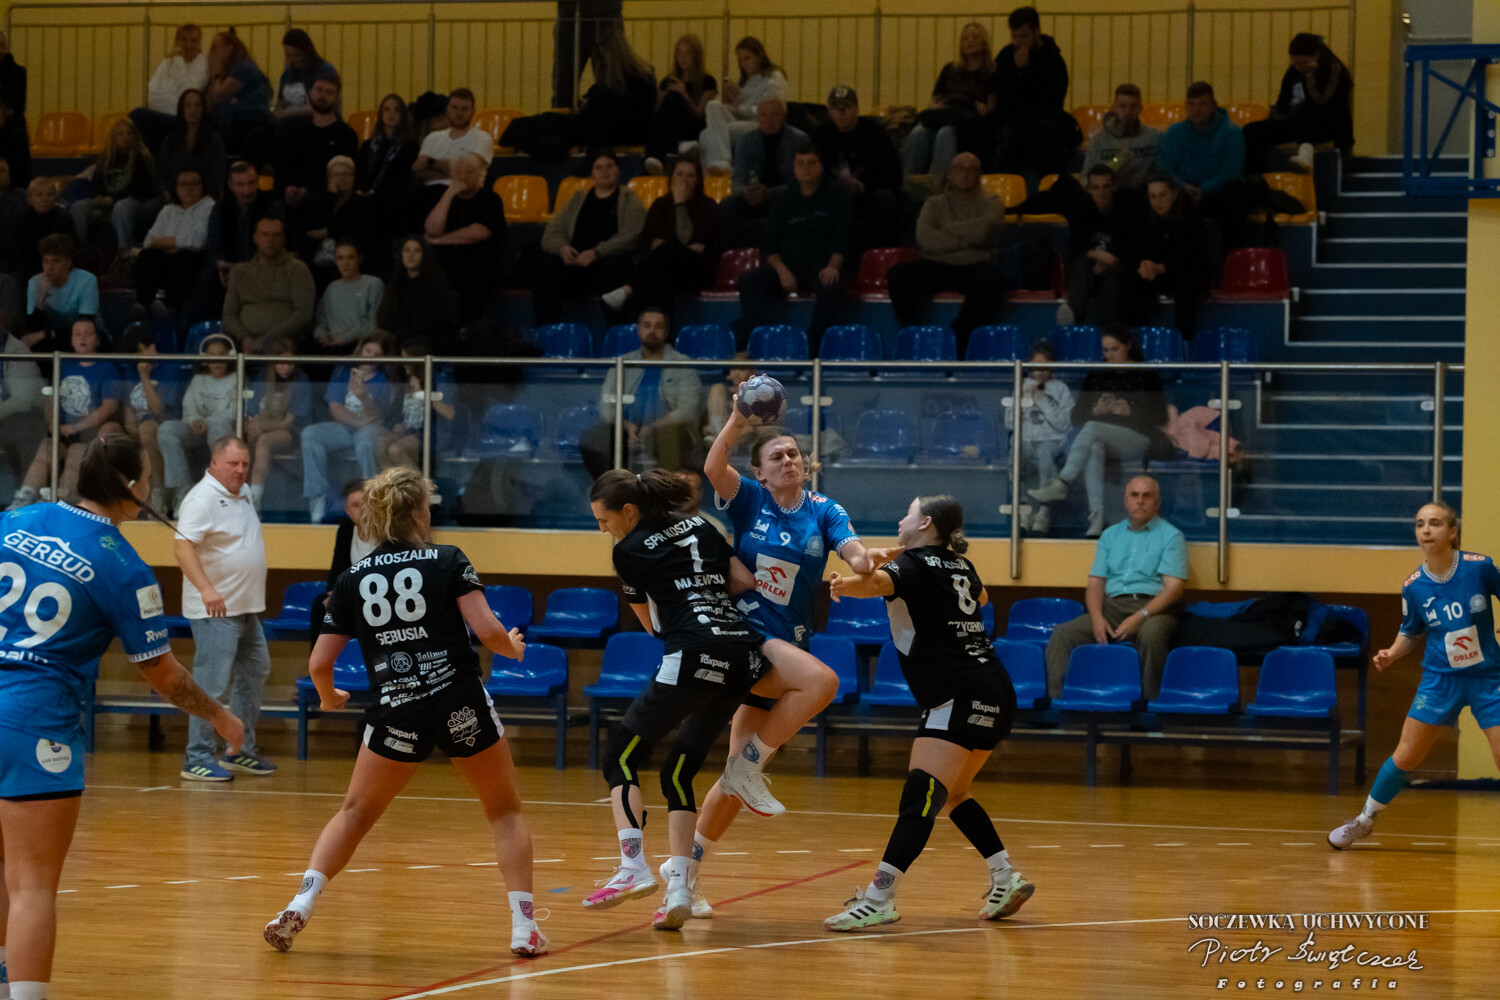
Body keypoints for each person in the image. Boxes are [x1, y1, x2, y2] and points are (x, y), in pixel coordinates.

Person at [264, 465, 546, 957]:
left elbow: (319, 663)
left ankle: (301, 902)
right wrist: (514, 648)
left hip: (397, 708)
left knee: (355, 813)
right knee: (504, 811)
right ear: (418, 512)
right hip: (459, 702)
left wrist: (328, 697)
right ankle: (525, 929)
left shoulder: (353, 578)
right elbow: (488, 632)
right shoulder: (448, 559)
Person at [0, 433, 243, 1000]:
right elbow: (163, 675)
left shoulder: (17, 517)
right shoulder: (124, 566)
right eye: (149, 478)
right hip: (33, 720)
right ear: (132, 488)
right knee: (33, 886)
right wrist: (219, 716)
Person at [582, 469, 828, 929]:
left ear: (628, 511)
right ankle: (679, 888)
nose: (602, 529)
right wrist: (705, 593)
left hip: (692, 651)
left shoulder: (628, 550)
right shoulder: (700, 524)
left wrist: (683, 604)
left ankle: (633, 865)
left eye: (603, 520)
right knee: (679, 770)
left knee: (620, 758)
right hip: (741, 655)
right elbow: (743, 580)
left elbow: (653, 626)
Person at [685, 396, 898, 918]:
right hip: (748, 637)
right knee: (824, 682)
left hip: (786, 650)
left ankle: (684, 878)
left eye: (794, 454)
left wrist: (865, 561)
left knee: (733, 783)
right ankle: (749, 768)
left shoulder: (824, 510)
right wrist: (737, 420)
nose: (788, 461)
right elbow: (713, 467)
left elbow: (852, 550)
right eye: (777, 456)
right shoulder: (750, 499)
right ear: (759, 471)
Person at [823, 494, 1033, 930]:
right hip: (995, 688)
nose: (901, 519)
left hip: (957, 693)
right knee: (953, 793)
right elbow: (982, 597)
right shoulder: (962, 565)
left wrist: (845, 582)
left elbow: (873, 586)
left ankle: (879, 898)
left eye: (908, 512)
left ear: (925, 523)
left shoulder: (913, 564)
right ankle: (1005, 876)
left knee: (920, 794)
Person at [1329, 502, 1500, 850]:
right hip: (1440, 681)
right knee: (1406, 755)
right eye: (1420, 524)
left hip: (1488, 678)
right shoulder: (1414, 586)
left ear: (1452, 531)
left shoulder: (1479, 567)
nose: (1426, 530)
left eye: (1435, 523)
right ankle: (1365, 820)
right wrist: (1392, 652)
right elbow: (1411, 631)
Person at [174, 435, 276, 782]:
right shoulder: (200, 500)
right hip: (215, 612)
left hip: (246, 607)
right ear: (214, 463)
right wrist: (206, 589)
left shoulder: (243, 491)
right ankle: (197, 758)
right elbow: (182, 548)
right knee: (210, 685)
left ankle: (239, 750)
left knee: (255, 672)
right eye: (233, 464)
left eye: (245, 464)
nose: (240, 470)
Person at [1041, 475, 1186, 700]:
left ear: (1157, 502)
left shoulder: (1171, 536)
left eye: (1147, 496)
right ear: (1126, 501)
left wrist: (1139, 617)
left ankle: (1150, 705)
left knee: (1151, 635)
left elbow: (1174, 589)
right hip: (1112, 607)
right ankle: (1057, 703)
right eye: (1134, 495)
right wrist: (1097, 618)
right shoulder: (1110, 535)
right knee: (1062, 634)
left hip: (1153, 609)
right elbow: (1095, 584)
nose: (1140, 501)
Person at [1027, 326, 1168, 538]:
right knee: (1094, 446)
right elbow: (1077, 415)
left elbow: (1161, 416)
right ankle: (1096, 519)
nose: (1109, 355)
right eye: (1105, 350)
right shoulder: (1098, 373)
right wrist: (1096, 410)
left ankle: (1062, 482)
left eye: (1115, 349)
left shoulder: (1146, 374)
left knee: (1092, 428)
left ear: (1128, 346)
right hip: (1103, 438)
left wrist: (1131, 411)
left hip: (1138, 438)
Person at [735, 142, 853, 354]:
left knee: (831, 285)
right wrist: (782, 271)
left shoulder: (837, 194)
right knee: (748, 281)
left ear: (821, 166)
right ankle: (760, 339)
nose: (806, 168)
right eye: (800, 163)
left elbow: (843, 237)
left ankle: (814, 348)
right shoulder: (784, 198)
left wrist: (833, 266)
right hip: (788, 266)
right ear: (794, 167)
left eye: (811, 163)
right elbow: (769, 243)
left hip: (821, 266)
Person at [886, 152, 1005, 356]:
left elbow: (985, 231)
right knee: (897, 274)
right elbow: (925, 239)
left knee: (991, 282)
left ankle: (961, 332)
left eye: (972, 169)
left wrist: (946, 229)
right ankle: (914, 332)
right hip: (934, 265)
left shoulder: (992, 202)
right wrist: (966, 240)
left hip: (974, 266)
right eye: (960, 168)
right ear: (950, 173)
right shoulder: (933, 203)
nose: (965, 174)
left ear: (979, 175)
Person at [6, 319, 120, 512]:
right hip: (63, 431)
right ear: (72, 340)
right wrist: (54, 426)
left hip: (89, 434)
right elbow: (51, 399)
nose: (82, 338)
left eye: (88, 334)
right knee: (47, 448)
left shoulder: (107, 368)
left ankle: (61, 502)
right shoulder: (64, 364)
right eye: (77, 334)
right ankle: (24, 497)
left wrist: (76, 428)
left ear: (97, 340)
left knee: (76, 452)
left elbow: (109, 407)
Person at [579, 308, 702, 479]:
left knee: (669, 435)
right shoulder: (622, 363)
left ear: (666, 332)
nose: (652, 331)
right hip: (627, 430)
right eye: (647, 325)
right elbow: (606, 406)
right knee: (592, 437)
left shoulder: (682, 364)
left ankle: (664, 491)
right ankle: (612, 489)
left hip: (668, 429)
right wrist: (624, 426)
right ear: (639, 330)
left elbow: (688, 409)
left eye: (658, 326)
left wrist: (653, 427)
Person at [532, 150, 644, 326]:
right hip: (577, 265)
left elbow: (632, 236)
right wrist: (562, 248)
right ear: (592, 172)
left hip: (609, 263)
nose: (604, 171)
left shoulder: (630, 199)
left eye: (609, 166)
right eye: (598, 167)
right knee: (547, 267)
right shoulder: (578, 199)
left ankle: (616, 333)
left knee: (613, 267)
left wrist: (596, 252)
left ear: (618, 170)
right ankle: (547, 331)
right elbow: (551, 233)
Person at [603, 154, 720, 317]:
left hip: (695, 272)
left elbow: (690, 244)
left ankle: (628, 289)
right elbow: (646, 244)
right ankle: (653, 330)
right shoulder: (659, 205)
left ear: (698, 180)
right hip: (662, 269)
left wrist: (679, 204)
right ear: (671, 178)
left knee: (666, 251)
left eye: (690, 176)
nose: (684, 180)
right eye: (679, 174)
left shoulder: (708, 206)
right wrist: (679, 248)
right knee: (660, 271)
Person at [301, 333, 396, 522]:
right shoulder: (343, 372)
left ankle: (371, 498)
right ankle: (318, 497)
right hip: (347, 426)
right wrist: (358, 423)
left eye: (377, 354)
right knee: (310, 434)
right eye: (368, 351)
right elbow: (335, 408)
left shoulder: (384, 379)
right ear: (361, 350)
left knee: (365, 442)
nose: (371, 356)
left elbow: (378, 417)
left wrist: (363, 396)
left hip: (372, 430)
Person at [970, 6, 1075, 178]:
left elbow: (1049, 101)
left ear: (1037, 31)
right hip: (1010, 116)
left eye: (1024, 36)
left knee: (1040, 131)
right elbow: (995, 87)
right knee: (973, 127)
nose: (1019, 42)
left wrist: (1024, 71)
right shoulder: (1007, 55)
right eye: (1014, 37)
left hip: (1042, 118)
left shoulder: (1053, 60)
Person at [1244, 33, 1354, 173]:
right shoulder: (1293, 71)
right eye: (1295, 64)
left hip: (1327, 125)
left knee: (1305, 108)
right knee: (1251, 131)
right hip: (1298, 123)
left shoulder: (1334, 69)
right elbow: (1284, 101)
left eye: (1303, 63)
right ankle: (1256, 177)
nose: (1299, 68)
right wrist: (1277, 113)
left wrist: (1310, 77)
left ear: (1316, 55)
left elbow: (1322, 101)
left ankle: (1306, 153)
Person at [1155, 81, 1246, 251]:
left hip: (1217, 193)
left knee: (1235, 193)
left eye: (1202, 104)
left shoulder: (1232, 133)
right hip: (1184, 191)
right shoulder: (1174, 132)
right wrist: (1183, 186)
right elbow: (1167, 168)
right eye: (1191, 104)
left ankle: (1232, 257)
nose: (1196, 109)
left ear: (1213, 105)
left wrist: (1203, 190)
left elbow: (1230, 173)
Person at [902, 22, 996, 179]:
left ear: (984, 43)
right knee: (918, 133)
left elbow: (992, 107)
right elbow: (934, 99)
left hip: (967, 122)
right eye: (965, 38)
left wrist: (984, 110)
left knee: (945, 134)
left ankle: (938, 185)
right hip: (944, 113)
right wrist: (935, 106)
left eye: (975, 37)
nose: (969, 41)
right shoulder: (950, 69)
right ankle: (908, 182)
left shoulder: (990, 72)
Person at [813, 86, 903, 249]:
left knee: (885, 199)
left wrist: (863, 186)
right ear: (829, 112)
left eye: (846, 107)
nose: (841, 112)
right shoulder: (820, 136)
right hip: (831, 195)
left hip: (868, 196)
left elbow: (894, 176)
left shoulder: (875, 134)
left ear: (857, 109)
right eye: (836, 107)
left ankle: (878, 255)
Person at [157, 333, 238, 509]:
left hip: (222, 430)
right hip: (196, 430)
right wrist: (194, 420)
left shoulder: (237, 379)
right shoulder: (198, 379)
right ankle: (182, 490)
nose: (216, 360)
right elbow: (189, 407)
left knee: (218, 426)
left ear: (230, 357)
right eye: (212, 355)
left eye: (221, 355)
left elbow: (234, 411)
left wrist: (206, 422)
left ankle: (219, 487)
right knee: (166, 430)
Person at [424, 151, 506, 320]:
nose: (462, 176)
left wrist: (439, 241)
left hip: (479, 259)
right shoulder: (444, 197)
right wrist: (448, 194)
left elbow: (478, 233)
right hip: (448, 259)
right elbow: (432, 229)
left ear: (479, 174)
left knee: (472, 273)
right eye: (457, 172)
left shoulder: (490, 198)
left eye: (468, 171)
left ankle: (468, 327)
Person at [1004, 342, 1073, 535]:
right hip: (1025, 439)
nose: (1040, 372)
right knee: (1021, 456)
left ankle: (1043, 513)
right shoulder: (1021, 386)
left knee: (1044, 454)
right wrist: (1024, 400)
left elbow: (1064, 424)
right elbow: (1009, 422)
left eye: (1044, 367)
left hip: (1052, 440)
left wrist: (1043, 401)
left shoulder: (1060, 389)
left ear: (1052, 367)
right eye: (1036, 367)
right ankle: (1025, 511)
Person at [1058, 164, 1140, 328]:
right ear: (1089, 189)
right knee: (1082, 264)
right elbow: (1075, 249)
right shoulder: (1081, 209)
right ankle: (1072, 320)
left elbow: (1132, 254)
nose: (1101, 193)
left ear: (1114, 186)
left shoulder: (1127, 210)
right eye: (1095, 188)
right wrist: (1096, 254)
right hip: (1089, 271)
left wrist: (1110, 264)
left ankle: (1108, 334)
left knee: (1112, 285)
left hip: (1116, 271)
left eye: (1106, 187)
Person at [115, 320, 184, 513]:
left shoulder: (170, 368)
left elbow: (159, 410)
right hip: (138, 427)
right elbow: (128, 405)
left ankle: (157, 492)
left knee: (147, 429)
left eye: (147, 347)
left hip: (163, 425)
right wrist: (129, 422)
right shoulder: (129, 371)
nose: (145, 354)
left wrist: (144, 376)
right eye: (138, 352)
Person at [720, 98, 807, 249]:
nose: (768, 120)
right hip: (753, 197)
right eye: (763, 115)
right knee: (728, 204)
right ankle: (728, 255)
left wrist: (770, 193)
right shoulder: (746, 141)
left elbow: (803, 182)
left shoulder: (799, 141)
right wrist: (745, 191)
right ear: (758, 118)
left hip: (785, 197)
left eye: (774, 115)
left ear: (784, 117)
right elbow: (737, 179)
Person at [1132, 173, 1210, 340]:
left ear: (1174, 194)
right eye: (1152, 196)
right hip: (1157, 272)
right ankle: (1133, 339)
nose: (1157, 202)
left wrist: (1161, 268)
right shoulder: (1143, 217)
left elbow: (1194, 258)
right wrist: (1143, 265)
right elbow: (1137, 249)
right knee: (1132, 281)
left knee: (1187, 284)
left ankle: (1184, 341)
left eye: (1163, 195)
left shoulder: (1191, 218)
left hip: (1186, 271)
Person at [222, 216, 316, 353]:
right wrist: (243, 337)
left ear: (283, 239)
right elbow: (229, 314)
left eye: (276, 235)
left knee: (277, 348)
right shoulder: (240, 271)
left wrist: (270, 337)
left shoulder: (297, 269)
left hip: (283, 340)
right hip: (243, 341)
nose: (271, 240)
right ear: (255, 238)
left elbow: (303, 314)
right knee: (215, 349)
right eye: (265, 234)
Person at [135, 167, 215, 322]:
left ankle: (170, 311)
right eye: (184, 184)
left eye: (194, 184)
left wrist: (164, 243)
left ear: (202, 186)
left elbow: (198, 241)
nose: (189, 188)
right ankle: (145, 307)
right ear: (176, 188)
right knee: (147, 256)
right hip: (167, 261)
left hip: (194, 261)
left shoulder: (209, 207)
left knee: (184, 257)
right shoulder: (168, 210)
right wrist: (178, 243)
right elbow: (148, 242)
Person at [699, 37, 788, 174]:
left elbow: (768, 108)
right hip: (741, 120)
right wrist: (734, 99)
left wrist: (739, 107)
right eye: (740, 60)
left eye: (747, 58)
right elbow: (739, 109)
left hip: (759, 124)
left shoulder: (774, 77)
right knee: (712, 106)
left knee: (707, 136)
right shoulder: (746, 81)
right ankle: (716, 171)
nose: (744, 64)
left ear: (759, 56)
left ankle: (722, 163)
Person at [69, 116, 156, 254]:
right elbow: (96, 182)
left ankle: (124, 253)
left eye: (129, 133)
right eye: (120, 133)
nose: (125, 137)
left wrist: (113, 199)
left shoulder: (141, 157)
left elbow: (142, 188)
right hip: (105, 199)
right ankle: (80, 251)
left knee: (121, 207)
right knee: (79, 207)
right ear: (113, 137)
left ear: (135, 136)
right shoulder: (106, 157)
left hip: (133, 199)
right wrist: (97, 196)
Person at [271, 73, 359, 209]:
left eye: (329, 92)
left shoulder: (346, 136)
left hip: (329, 204)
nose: (323, 96)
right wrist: (287, 188)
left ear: (337, 98)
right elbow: (284, 170)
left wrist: (310, 193)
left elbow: (345, 179)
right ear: (310, 93)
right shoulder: (294, 133)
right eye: (319, 90)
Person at [245, 337, 313, 511]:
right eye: (281, 362)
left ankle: (255, 496)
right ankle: (238, 494)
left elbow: (289, 422)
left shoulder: (301, 380)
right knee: (243, 440)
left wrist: (262, 427)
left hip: (291, 432)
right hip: (261, 428)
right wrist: (252, 427)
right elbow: (252, 412)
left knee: (263, 441)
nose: (286, 367)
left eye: (290, 362)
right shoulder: (263, 377)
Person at [376, 337, 457, 472]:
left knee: (395, 450)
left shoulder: (439, 381)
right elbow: (400, 412)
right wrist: (399, 424)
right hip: (410, 431)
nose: (404, 364)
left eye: (406, 359)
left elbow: (450, 413)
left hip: (434, 433)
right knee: (380, 444)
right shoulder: (408, 381)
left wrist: (421, 393)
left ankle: (419, 484)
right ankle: (393, 483)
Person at [308, 479, 374, 642]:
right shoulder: (346, 530)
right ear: (347, 510)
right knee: (321, 605)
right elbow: (336, 573)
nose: (362, 510)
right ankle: (319, 658)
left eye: (366, 504)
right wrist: (336, 595)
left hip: (378, 593)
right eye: (355, 505)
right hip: (351, 597)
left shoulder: (387, 531)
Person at [574, 30, 657, 150]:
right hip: (631, 132)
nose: (605, 61)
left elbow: (596, 104)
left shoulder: (625, 83)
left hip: (627, 133)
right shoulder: (642, 76)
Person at [644, 33, 717, 172]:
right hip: (669, 126)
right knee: (669, 100)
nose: (683, 58)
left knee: (675, 97)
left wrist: (684, 94)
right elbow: (659, 115)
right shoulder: (668, 81)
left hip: (693, 125)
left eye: (688, 54)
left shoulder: (707, 82)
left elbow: (699, 114)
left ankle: (659, 155)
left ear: (696, 56)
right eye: (679, 53)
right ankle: (656, 157)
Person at [131, 23, 208, 150]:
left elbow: (188, 95)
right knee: (144, 138)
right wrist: (173, 99)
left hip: (184, 121)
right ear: (176, 42)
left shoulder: (203, 66)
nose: (188, 45)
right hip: (162, 115)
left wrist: (178, 61)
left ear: (199, 44)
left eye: (193, 41)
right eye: (184, 40)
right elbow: (153, 92)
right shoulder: (166, 63)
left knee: (137, 115)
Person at [377, 237, 459, 351]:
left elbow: (434, 322)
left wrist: (399, 335)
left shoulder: (435, 284)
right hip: (398, 345)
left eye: (417, 251)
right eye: (407, 250)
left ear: (424, 255)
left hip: (428, 345)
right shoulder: (396, 283)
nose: (411, 255)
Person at [153, 88, 228, 213]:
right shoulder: (170, 141)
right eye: (187, 105)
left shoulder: (214, 141)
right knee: (146, 211)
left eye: (197, 105)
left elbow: (217, 176)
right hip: (172, 197)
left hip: (204, 198)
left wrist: (196, 195)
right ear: (181, 109)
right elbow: (161, 174)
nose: (192, 110)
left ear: (203, 109)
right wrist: (169, 195)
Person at [23, 234, 98, 353]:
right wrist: (39, 302)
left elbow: (85, 326)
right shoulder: (35, 283)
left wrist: (45, 334)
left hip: (82, 337)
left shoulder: (87, 280)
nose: (49, 268)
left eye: (56, 261)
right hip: (51, 339)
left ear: (68, 262)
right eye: (45, 261)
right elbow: (31, 331)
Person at [1081, 83, 1162, 193]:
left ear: (1140, 109)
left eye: (1133, 106)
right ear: (1115, 108)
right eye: (1122, 106)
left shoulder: (1154, 138)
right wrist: (1117, 161)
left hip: (1144, 196)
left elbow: (1165, 174)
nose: (1128, 112)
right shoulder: (1099, 140)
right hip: (1109, 196)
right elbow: (1085, 179)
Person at [205, 29, 272, 155]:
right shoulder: (227, 72)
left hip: (248, 122)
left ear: (229, 48)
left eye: (215, 47)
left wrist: (216, 75)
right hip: (233, 123)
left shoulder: (245, 68)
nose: (211, 52)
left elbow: (219, 96)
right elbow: (209, 105)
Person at [7, 179, 77, 295]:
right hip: (28, 269)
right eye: (39, 195)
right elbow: (17, 252)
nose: (45, 199)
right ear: (30, 199)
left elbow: (72, 249)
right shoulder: (22, 220)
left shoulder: (64, 220)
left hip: (60, 268)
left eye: (49, 195)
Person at [412, 89, 493, 188]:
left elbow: (467, 171)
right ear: (447, 109)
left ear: (473, 111)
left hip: (464, 193)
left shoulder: (482, 138)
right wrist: (454, 172)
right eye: (454, 108)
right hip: (430, 191)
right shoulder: (432, 138)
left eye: (465, 109)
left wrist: (430, 162)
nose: (459, 113)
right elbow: (419, 171)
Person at [313, 238, 383, 350]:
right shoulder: (331, 288)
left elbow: (375, 324)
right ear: (335, 260)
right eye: (340, 258)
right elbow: (320, 321)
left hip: (361, 346)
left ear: (359, 259)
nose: (345, 263)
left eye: (351, 258)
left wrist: (347, 338)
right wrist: (322, 336)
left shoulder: (373, 284)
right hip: (332, 347)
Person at [553, 0, 624, 110]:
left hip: (574, 13)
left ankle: (563, 116)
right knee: (564, 84)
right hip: (604, 13)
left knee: (611, 82)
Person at [355, 93, 419, 197]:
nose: (391, 113)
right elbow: (360, 173)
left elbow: (403, 179)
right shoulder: (368, 146)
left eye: (396, 110)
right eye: (387, 109)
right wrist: (359, 190)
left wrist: (375, 193)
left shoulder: (410, 147)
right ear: (381, 114)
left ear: (402, 116)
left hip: (392, 197)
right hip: (365, 195)